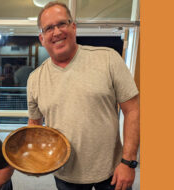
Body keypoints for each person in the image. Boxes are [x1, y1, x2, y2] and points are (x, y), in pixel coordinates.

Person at [27, 2, 139, 190]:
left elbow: (133, 110)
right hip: (64, 173)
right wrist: (38, 159)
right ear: (42, 38)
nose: (56, 32)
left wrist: (128, 162)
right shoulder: (34, 79)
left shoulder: (108, 59)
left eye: (62, 24)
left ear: (73, 27)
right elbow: (34, 125)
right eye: (48, 28)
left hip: (112, 171)